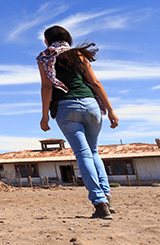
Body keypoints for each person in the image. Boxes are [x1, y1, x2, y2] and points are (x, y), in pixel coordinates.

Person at [37, 25, 119, 219]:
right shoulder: (79, 55)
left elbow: (47, 87)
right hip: (91, 105)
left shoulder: (46, 56)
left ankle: (100, 203)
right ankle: (107, 196)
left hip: (66, 108)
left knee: (83, 154)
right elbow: (96, 84)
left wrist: (44, 115)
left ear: (48, 41)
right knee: (93, 152)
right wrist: (112, 110)